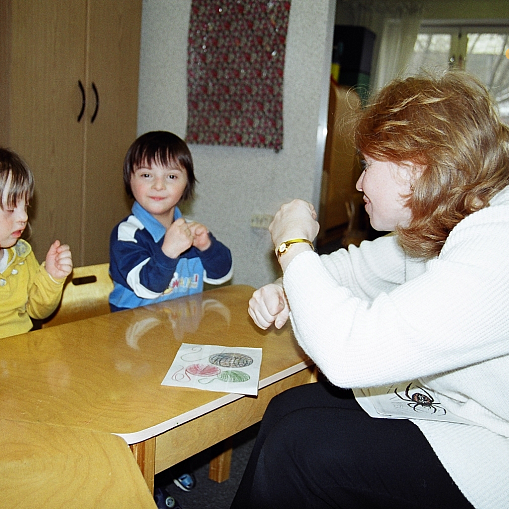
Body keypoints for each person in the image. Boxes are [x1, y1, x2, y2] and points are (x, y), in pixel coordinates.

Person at [231, 71, 509, 509]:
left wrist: (292, 245)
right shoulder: (446, 217)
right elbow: (353, 269)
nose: (359, 183)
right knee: (288, 410)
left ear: (414, 167)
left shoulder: (498, 246)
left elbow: (348, 355)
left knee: (299, 447)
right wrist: (289, 288)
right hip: (459, 410)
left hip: (496, 446)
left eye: (367, 166)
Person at [109, 130, 233, 312]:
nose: (158, 186)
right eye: (146, 175)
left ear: (187, 184)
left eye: (171, 177)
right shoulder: (127, 233)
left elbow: (221, 275)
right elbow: (147, 287)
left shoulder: (189, 230)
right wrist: (169, 251)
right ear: (129, 179)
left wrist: (207, 247)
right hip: (132, 330)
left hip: (181, 331)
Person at [0, 148, 73, 339]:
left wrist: (51, 277)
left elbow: (37, 312)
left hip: (22, 356)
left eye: (26, 206)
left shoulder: (22, 256)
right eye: (10, 208)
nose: (24, 217)